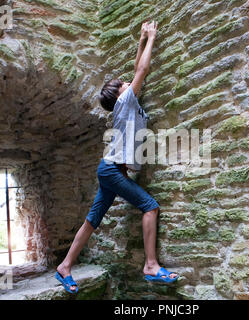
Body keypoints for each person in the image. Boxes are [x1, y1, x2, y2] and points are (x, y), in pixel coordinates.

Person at [55, 21, 179, 294]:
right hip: (112, 170)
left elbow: (137, 69)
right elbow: (142, 70)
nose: (128, 82)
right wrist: (153, 38)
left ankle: (65, 266)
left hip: (112, 171)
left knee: (92, 220)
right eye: (124, 83)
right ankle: (150, 264)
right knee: (150, 206)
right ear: (120, 94)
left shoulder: (127, 103)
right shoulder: (125, 102)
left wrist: (141, 39)